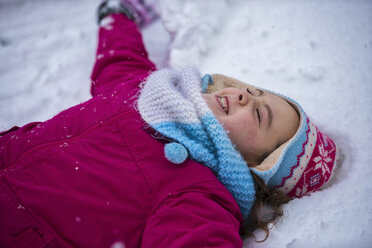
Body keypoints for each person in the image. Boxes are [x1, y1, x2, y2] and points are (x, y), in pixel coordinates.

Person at [0, 0, 339, 247]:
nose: (245, 96)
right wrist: (118, 16)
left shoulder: (199, 194)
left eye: (260, 114)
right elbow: (120, 60)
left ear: (257, 164)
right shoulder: (156, 93)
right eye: (254, 90)